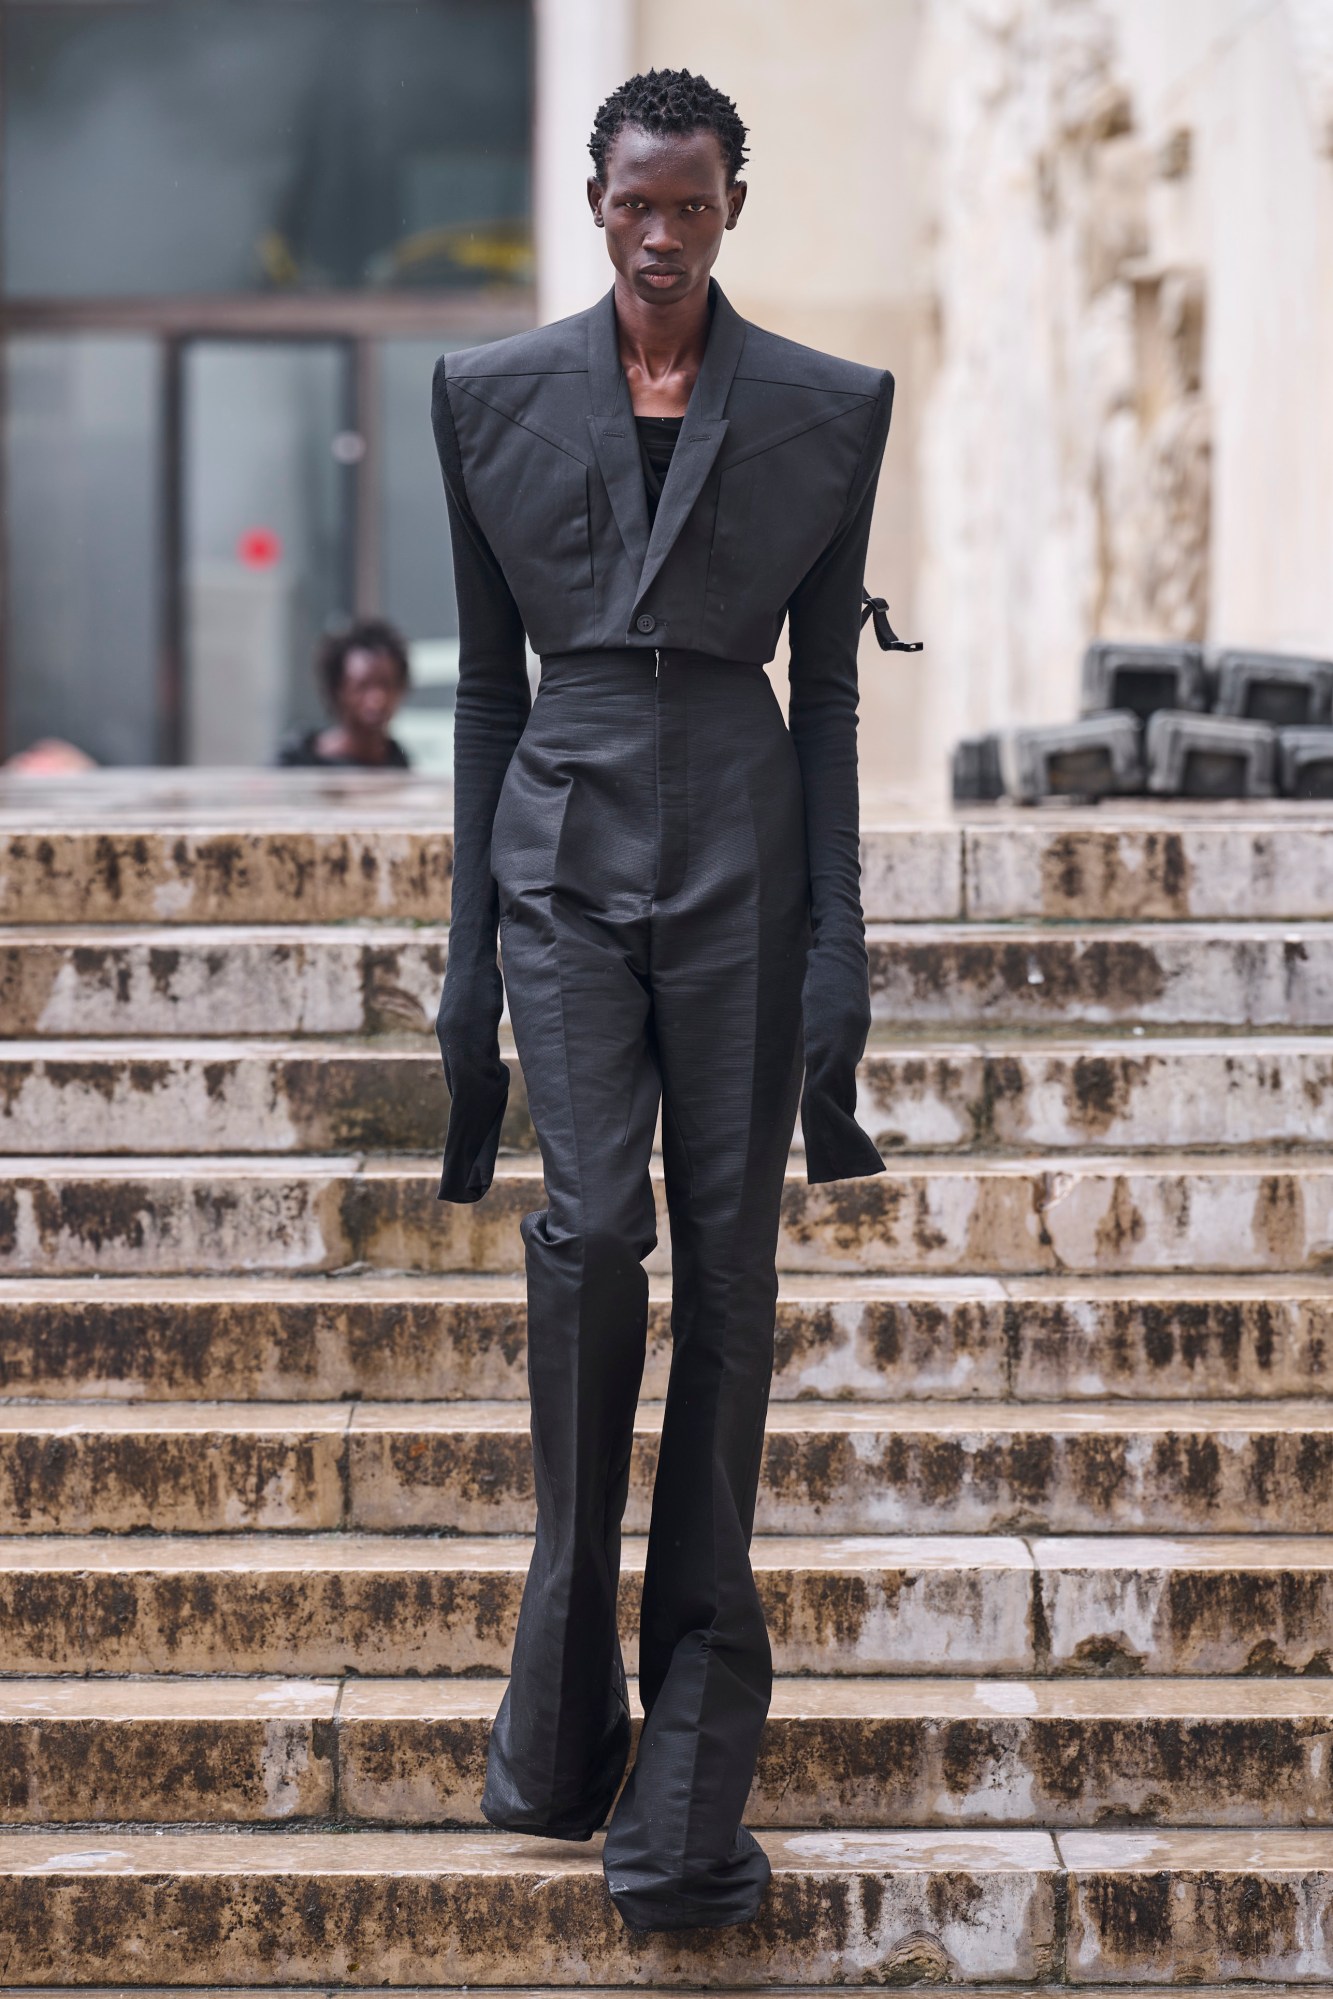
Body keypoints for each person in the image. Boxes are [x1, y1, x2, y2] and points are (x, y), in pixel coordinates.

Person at [431, 67, 915, 1934]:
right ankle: (559, 1708)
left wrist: (840, 947)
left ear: (729, 206)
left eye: (689, 205)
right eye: (633, 201)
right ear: (591, 194)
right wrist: (465, 960)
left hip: (738, 838)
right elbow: (484, 691)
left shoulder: (824, 408)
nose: (658, 233)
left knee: (728, 1259)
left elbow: (834, 693)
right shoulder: (485, 399)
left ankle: (688, 1775)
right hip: (556, 845)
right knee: (587, 1225)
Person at [276, 618, 412, 768]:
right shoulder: (297, 761)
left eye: (386, 685)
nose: (377, 699)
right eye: (362, 687)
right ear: (338, 690)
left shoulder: (397, 764)